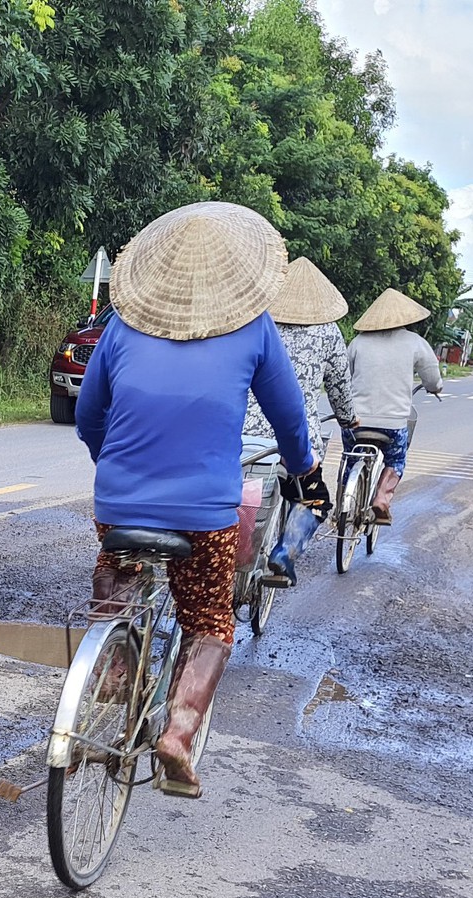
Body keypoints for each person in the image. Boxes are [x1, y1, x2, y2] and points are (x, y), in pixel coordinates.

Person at [75, 202, 328, 798]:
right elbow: (291, 421)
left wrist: (114, 473)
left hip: (117, 501)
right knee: (210, 619)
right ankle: (179, 735)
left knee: (119, 577)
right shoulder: (255, 327)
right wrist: (306, 475)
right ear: (235, 278)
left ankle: (112, 662)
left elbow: (89, 416)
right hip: (205, 514)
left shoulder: (121, 325)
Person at [241, 256, 356, 585]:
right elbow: (339, 388)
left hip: (238, 435)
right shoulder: (328, 333)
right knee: (315, 498)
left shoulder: (252, 323)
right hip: (292, 443)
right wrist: (348, 419)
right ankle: (284, 554)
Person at [344, 289, 443, 523]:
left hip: (356, 421)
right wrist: (435, 388)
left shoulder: (358, 342)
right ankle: (382, 499)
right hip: (393, 424)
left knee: (350, 456)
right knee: (396, 460)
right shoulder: (416, 343)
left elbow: (344, 375)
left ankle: (344, 503)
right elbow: (432, 379)